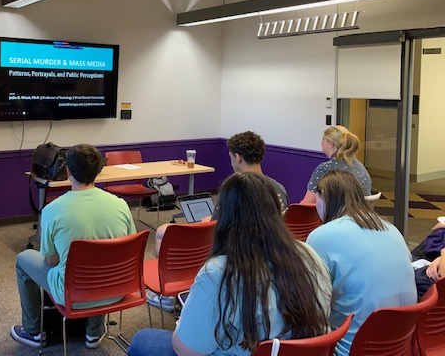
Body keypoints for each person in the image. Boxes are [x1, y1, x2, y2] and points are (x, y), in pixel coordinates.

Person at [128, 172, 331, 356]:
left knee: (141, 340)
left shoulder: (218, 272)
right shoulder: (309, 253)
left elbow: (187, 350)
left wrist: (184, 325)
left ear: (225, 215)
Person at [11, 144, 136, 349]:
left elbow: (52, 261)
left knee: (23, 259)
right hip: (116, 290)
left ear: (67, 171)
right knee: (104, 260)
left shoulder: (52, 210)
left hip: (71, 294)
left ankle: (33, 331)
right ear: (99, 170)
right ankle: (94, 332)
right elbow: (127, 252)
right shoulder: (120, 204)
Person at [148, 131, 288, 311]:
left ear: (238, 157)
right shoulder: (279, 188)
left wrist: (204, 221)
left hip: (234, 254)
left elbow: (214, 228)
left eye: (230, 157)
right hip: (271, 252)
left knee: (163, 231)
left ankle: (167, 297)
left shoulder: (233, 188)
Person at [306, 170, 417, 356]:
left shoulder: (322, 236)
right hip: (399, 347)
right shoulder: (392, 229)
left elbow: (310, 303)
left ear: (324, 197)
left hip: (348, 348)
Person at [300, 125, 371, 204]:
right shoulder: (361, 167)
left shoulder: (325, 169)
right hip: (361, 215)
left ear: (330, 144)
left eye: (323, 139)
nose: (321, 142)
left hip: (338, 215)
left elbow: (306, 204)